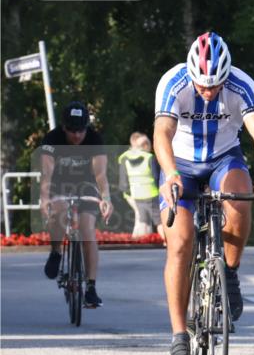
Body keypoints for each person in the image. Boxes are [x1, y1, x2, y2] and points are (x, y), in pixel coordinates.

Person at [154, 32, 254, 355]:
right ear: (192, 74)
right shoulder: (174, 82)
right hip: (178, 163)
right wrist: (170, 175)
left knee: (240, 200)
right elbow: (162, 132)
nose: (208, 92)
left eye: (215, 86)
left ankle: (231, 272)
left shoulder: (242, 84)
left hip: (224, 157)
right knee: (179, 243)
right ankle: (179, 335)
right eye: (202, 86)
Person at [38, 101, 114, 308]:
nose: (77, 135)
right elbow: (47, 174)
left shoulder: (94, 138)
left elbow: (100, 174)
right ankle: (56, 251)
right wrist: (45, 199)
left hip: (86, 184)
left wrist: (106, 199)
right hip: (59, 183)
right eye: (72, 130)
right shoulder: (52, 139)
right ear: (64, 127)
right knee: (59, 212)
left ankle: (90, 286)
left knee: (87, 228)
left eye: (81, 130)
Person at [118, 132, 164, 240]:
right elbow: (157, 177)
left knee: (142, 220)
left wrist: (127, 191)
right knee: (159, 221)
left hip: (135, 194)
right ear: (146, 145)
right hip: (151, 193)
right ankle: (167, 242)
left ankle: (141, 242)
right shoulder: (149, 157)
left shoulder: (124, 157)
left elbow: (123, 179)